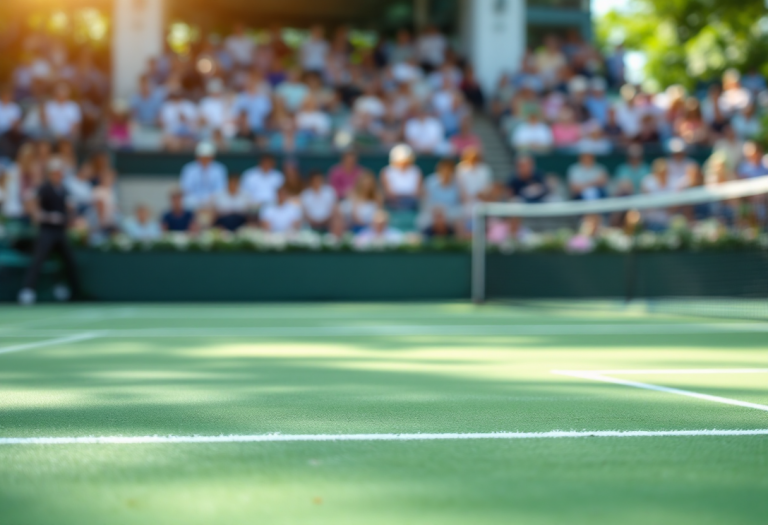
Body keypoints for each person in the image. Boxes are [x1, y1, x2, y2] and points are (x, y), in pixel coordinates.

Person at [18, 158, 80, 305]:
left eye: (59, 172)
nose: (57, 175)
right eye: (55, 172)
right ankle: (28, 290)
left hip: (60, 231)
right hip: (47, 230)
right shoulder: (44, 188)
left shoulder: (64, 189)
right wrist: (45, 216)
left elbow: (70, 210)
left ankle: (73, 292)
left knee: (69, 261)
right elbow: (33, 205)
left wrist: (70, 215)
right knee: (39, 259)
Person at [179, 141, 228, 210]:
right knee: (186, 201)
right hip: (194, 201)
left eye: (207, 157)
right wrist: (199, 200)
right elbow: (186, 188)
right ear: (197, 157)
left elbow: (220, 189)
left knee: (223, 202)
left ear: (212, 157)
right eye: (202, 157)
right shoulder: (189, 169)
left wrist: (209, 200)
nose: (205, 160)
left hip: (213, 201)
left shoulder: (219, 169)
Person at [380, 144, 422, 211]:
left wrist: (402, 195)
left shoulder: (416, 171)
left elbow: (417, 193)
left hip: (412, 204)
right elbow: (389, 194)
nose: (404, 163)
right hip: (393, 204)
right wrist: (406, 195)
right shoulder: (386, 171)